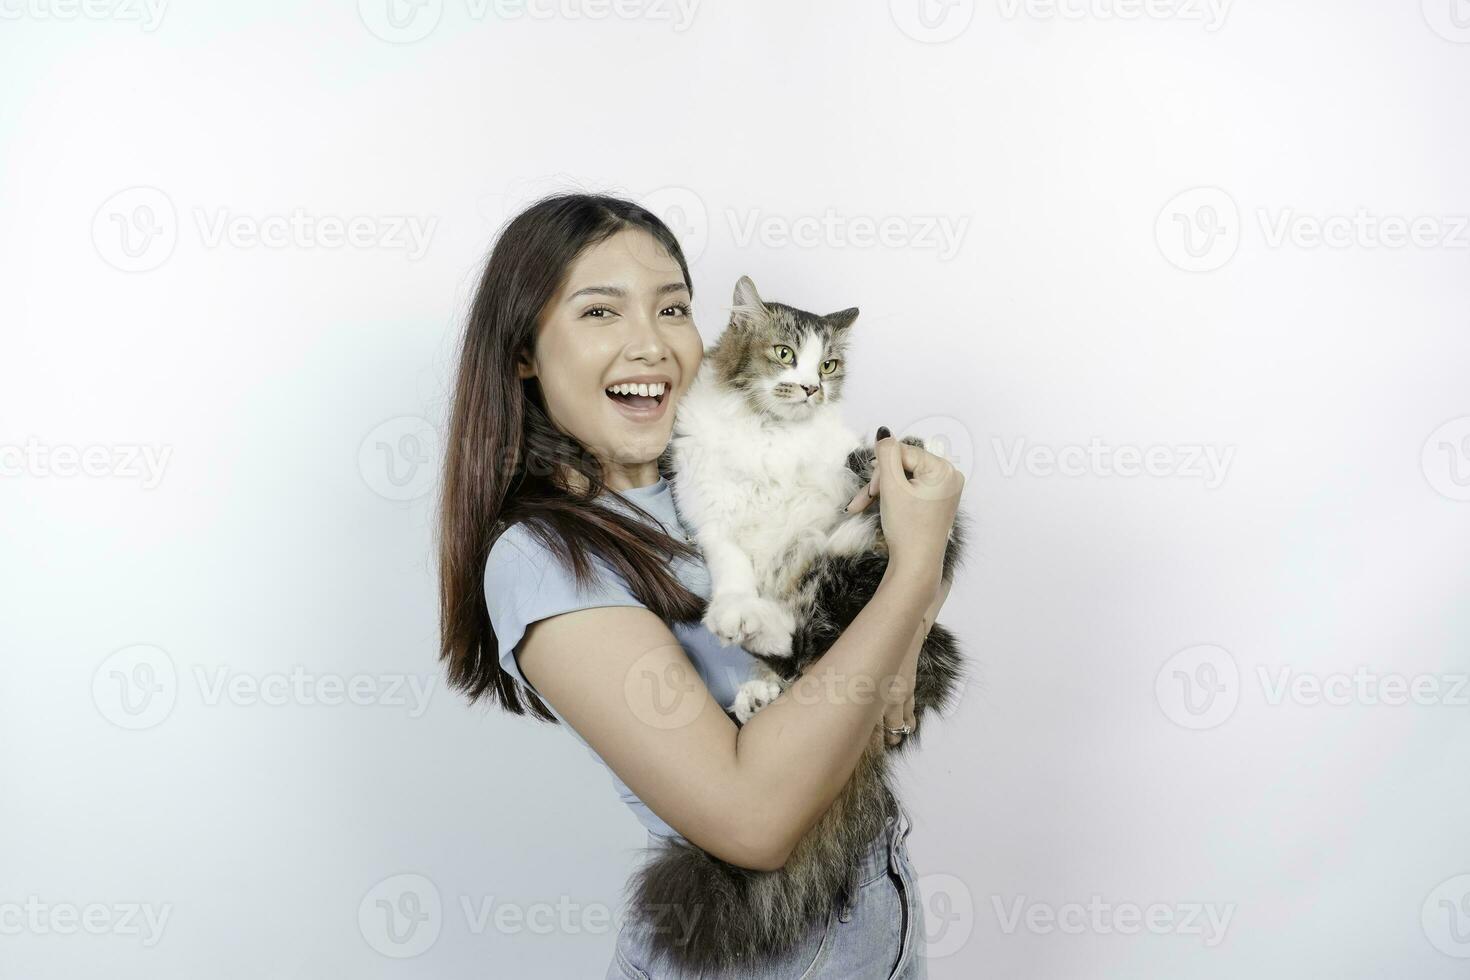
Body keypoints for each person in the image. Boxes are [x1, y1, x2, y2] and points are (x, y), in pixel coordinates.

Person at [437, 192, 963, 979]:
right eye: (600, 313)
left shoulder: (705, 464)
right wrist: (913, 580)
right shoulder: (546, 560)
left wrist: (907, 584)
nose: (648, 344)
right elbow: (754, 821)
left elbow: (863, 621)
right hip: (747, 951)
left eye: (672, 307)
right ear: (523, 350)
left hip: (872, 919)